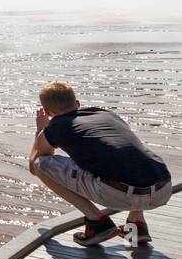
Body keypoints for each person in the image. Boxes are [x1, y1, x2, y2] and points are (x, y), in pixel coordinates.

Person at [27, 81, 172, 246]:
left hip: (116, 194)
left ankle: (97, 222)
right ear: (77, 103)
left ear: (47, 111)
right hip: (163, 189)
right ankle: (136, 224)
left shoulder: (56, 126)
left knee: (41, 165)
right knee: (129, 158)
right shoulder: (107, 115)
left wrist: (40, 130)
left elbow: (35, 165)